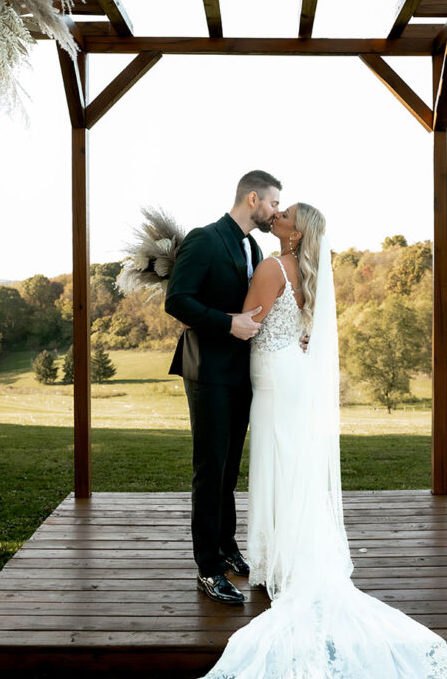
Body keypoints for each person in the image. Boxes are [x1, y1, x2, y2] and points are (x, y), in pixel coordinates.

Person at [201, 203, 447, 679]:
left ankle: (281, 557)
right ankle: (288, 551)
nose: (276, 215)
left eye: (286, 216)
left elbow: (245, 325)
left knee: (278, 460)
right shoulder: (306, 272)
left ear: (297, 235)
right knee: (293, 462)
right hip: (292, 374)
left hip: (275, 379)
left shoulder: (271, 266)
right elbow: (300, 330)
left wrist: (203, 311)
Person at [165, 169, 282, 606]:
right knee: (210, 469)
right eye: (272, 203)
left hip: (242, 374)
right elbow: (177, 300)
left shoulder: (251, 245)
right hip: (208, 371)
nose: (276, 211)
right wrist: (227, 322)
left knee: (230, 469)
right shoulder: (204, 238)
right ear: (253, 199)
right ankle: (208, 568)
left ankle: (227, 547)